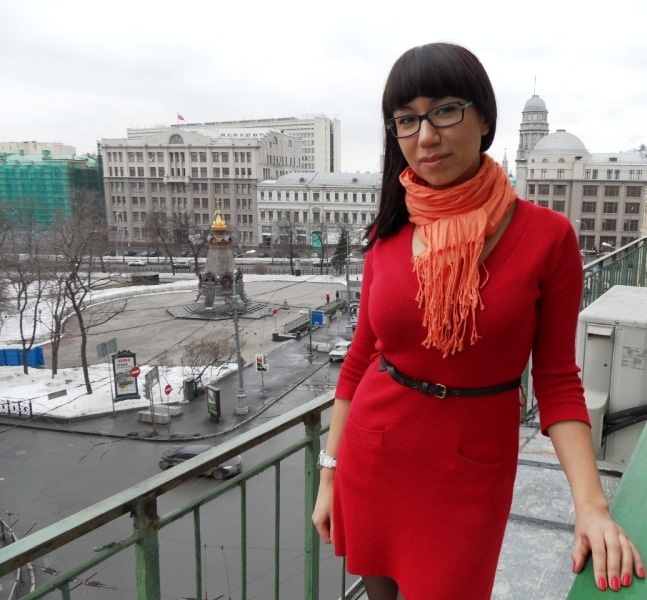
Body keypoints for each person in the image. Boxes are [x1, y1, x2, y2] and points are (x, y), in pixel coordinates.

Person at [312, 42, 644, 600]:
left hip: (471, 468)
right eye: (406, 119)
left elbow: (557, 380)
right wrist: (329, 474)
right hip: (375, 456)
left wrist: (592, 508)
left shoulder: (547, 238)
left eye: (445, 110)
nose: (426, 136)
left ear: (484, 117)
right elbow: (360, 359)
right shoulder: (389, 234)